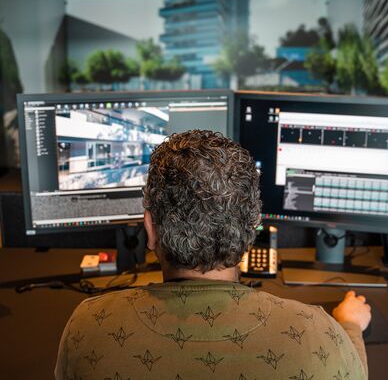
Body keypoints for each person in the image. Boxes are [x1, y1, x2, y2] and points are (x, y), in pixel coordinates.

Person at [55, 130, 371, 379]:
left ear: (150, 228)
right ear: (253, 230)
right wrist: (351, 327)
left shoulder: (88, 327)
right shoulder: (318, 333)